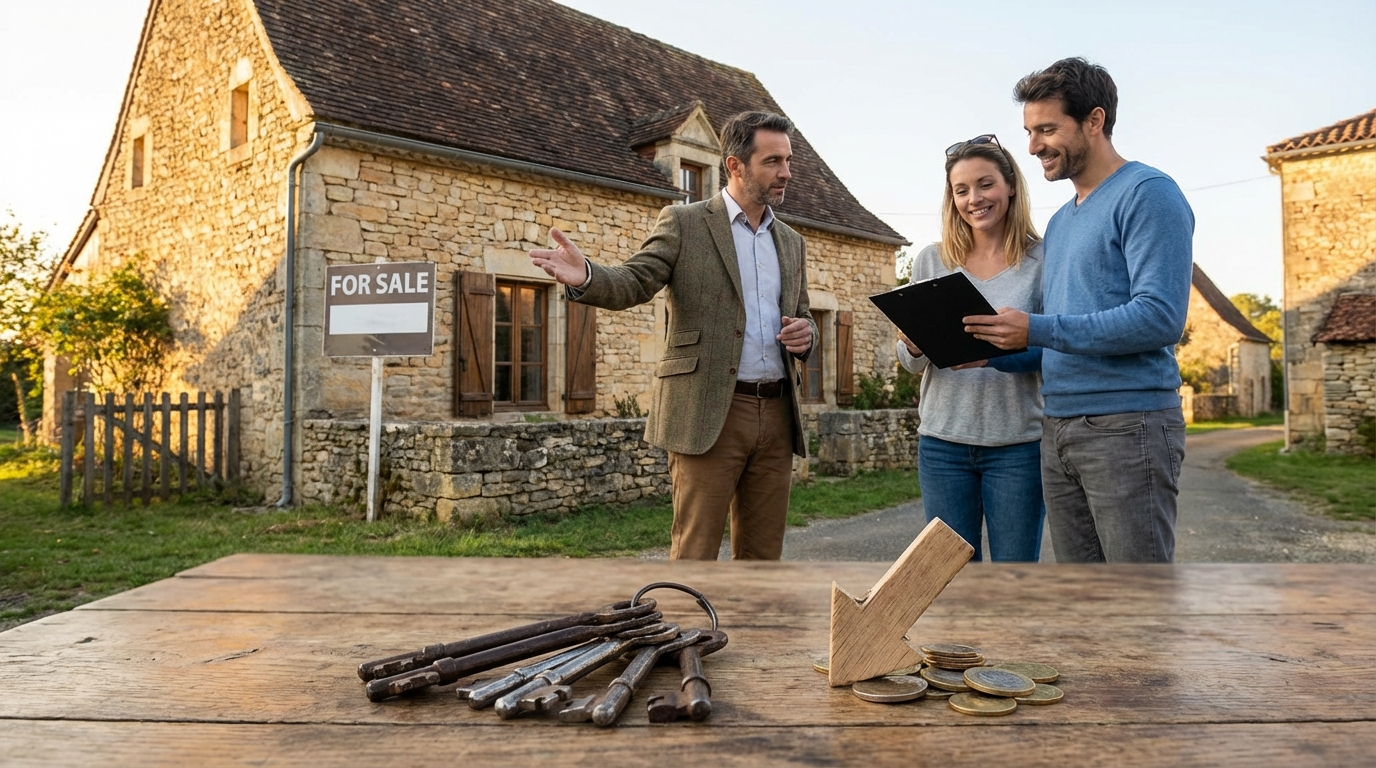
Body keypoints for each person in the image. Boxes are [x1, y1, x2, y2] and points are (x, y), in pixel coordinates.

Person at [528, 111, 817, 561]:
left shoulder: (792, 242)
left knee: (763, 559)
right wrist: (586, 275)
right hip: (709, 412)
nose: (786, 172)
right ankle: (685, 632)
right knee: (695, 552)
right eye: (773, 161)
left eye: (788, 160)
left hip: (778, 414)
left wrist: (808, 333)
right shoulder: (684, 222)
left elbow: (802, 315)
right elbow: (635, 280)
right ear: (735, 165)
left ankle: (754, 634)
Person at [964, 57, 1194, 563]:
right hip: (1059, 427)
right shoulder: (1063, 222)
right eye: (1028, 131)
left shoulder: (1148, 194)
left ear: (1094, 120)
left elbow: (1159, 317)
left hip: (1127, 426)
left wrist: (1038, 327)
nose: (1032, 146)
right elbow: (1053, 341)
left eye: (1047, 129)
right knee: (1085, 609)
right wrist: (992, 351)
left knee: (1139, 605)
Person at [896, 134, 1045, 562]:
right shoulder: (932, 260)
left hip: (1017, 444)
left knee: (1013, 577)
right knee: (949, 579)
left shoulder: (1042, 261)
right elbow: (909, 362)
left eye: (985, 184)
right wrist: (913, 346)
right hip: (943, 443)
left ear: (1010, 185)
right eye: (961, 190)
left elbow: (1054, 348)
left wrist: (996, 354)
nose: (974, 199)